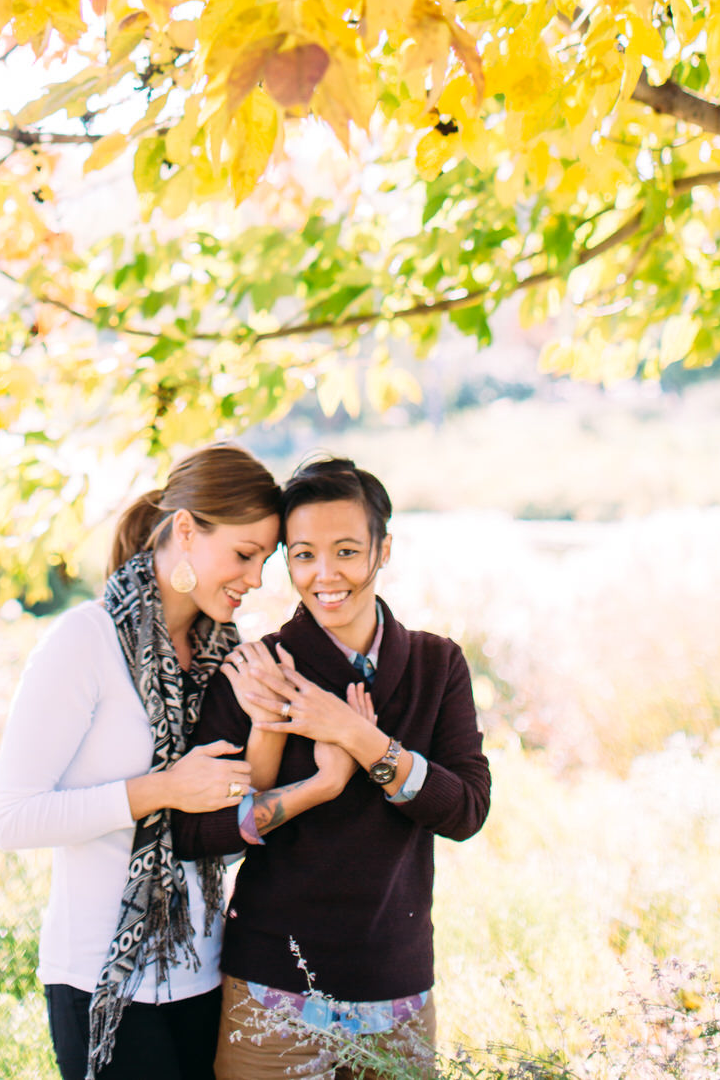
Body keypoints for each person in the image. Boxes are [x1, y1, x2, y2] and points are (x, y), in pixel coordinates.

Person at [172, 455, 491, 1079]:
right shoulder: (256, 670)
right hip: (270, 995)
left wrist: (360, 738)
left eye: (346, 550)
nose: (325, 575)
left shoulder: (436, 664)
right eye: (302, 555)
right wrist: (311, 785)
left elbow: (466, 811)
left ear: (383, 548)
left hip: (397, 992)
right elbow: (194, 834)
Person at [0, 445, 301, 1080]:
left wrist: (272, 728)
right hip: (101, 978)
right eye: (243, 555)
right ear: (185, 529)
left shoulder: (228, 658)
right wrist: (161, 789)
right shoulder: (85, 642)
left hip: (205, 971)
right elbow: (13, 820)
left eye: (265, 561)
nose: (254, 579)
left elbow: (232, 822)